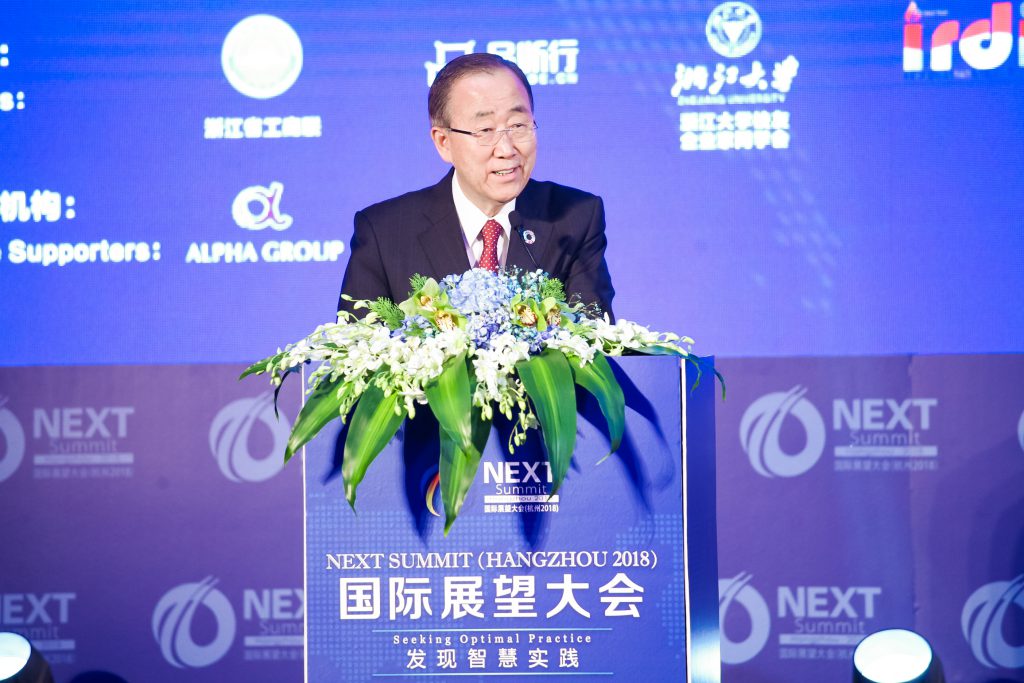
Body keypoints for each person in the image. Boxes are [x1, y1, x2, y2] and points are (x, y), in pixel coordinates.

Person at [338, 53, 615, 318]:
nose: (506, 149)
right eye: (485, 130)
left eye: (518, 125)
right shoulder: (385, 233)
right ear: (443, 142)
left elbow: (592, 338)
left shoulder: (574, 219)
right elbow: (358, 346)